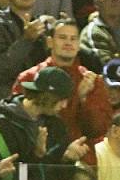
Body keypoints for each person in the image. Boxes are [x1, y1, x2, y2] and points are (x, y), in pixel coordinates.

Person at [13, 18, 113, 146]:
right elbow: (18, 124)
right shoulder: (28, 78)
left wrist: (84, 99)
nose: (68, 43)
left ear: (79, 45)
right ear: (49, 42)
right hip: (35, 153)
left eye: (73, 39)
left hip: (81, 157)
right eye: (62, 37)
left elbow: (98, 130)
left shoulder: (92, 81)